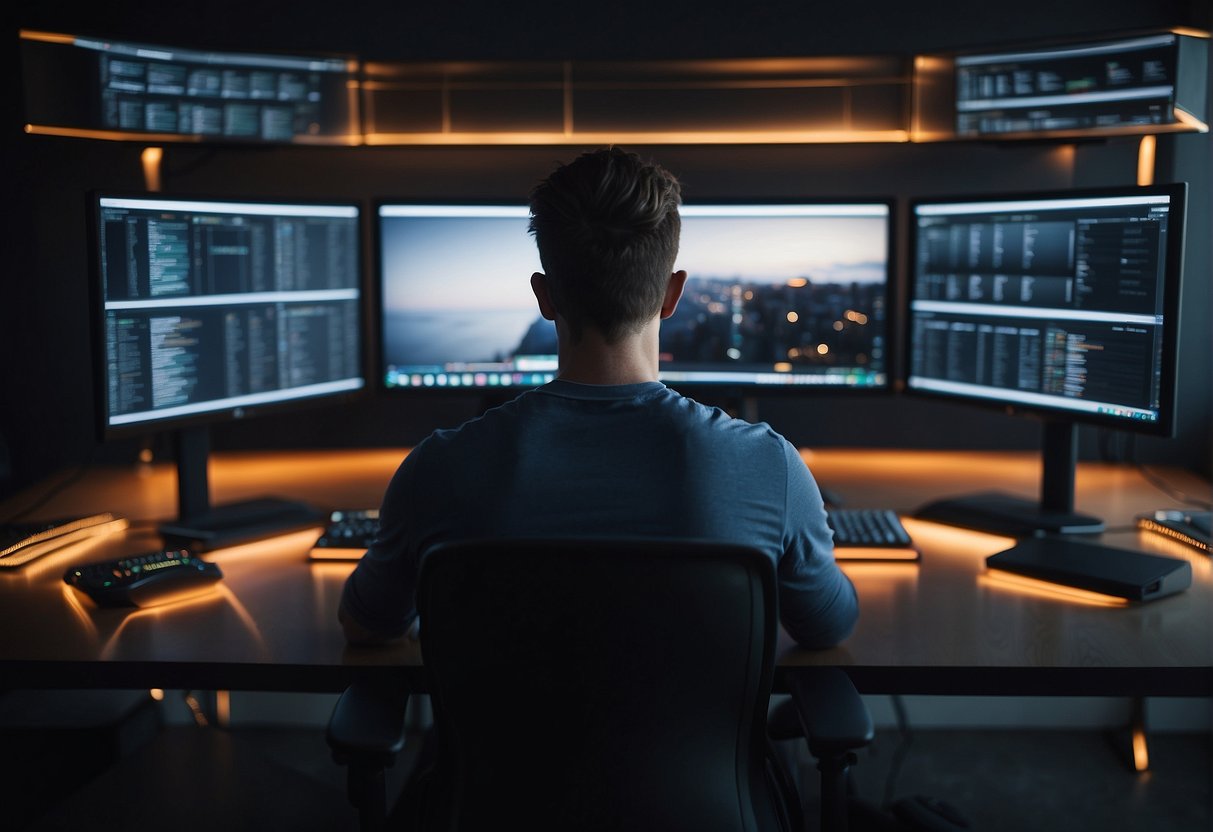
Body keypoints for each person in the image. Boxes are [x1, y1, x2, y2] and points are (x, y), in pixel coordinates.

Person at [339, 147, 857, 649]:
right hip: (687, 741)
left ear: (544, 296)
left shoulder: (439, 468)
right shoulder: (770, 467)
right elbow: (828, 627)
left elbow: (367, 626)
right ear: (672, 294)